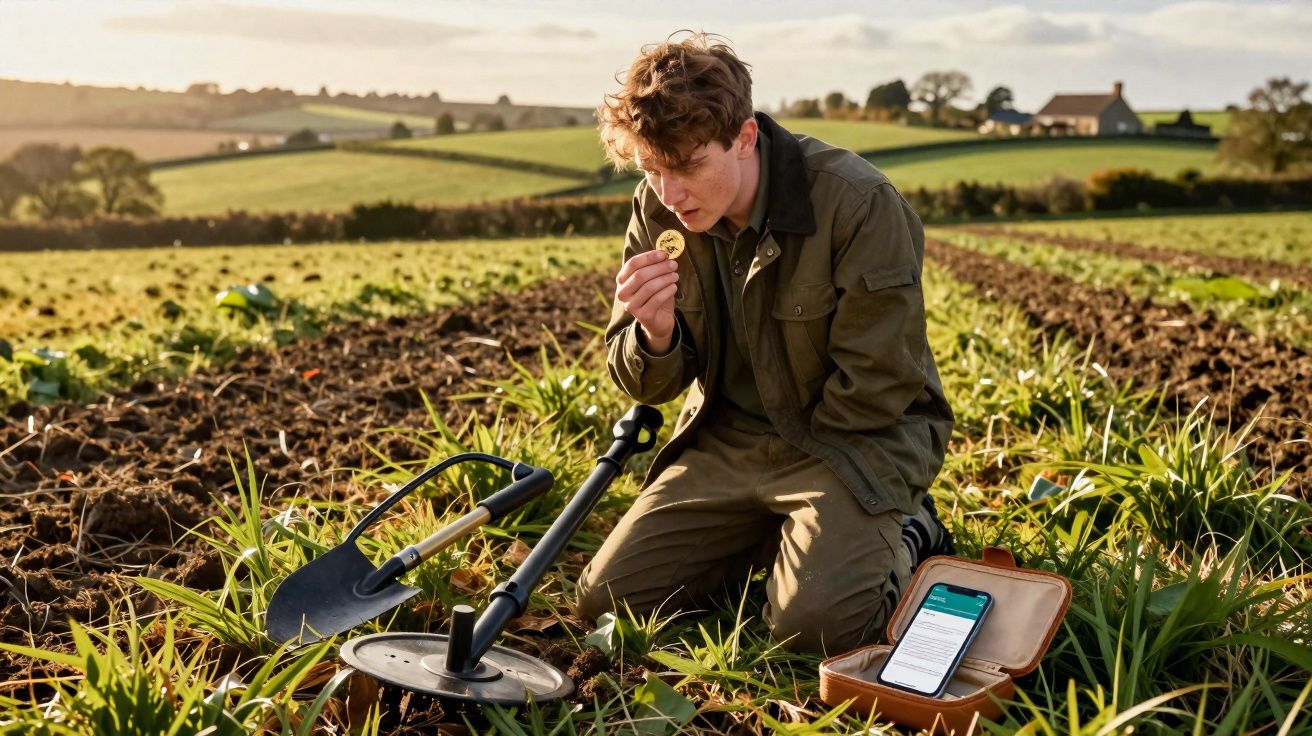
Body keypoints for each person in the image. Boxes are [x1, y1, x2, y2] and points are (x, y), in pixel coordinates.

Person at [574, 30, 955, 655]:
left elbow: (880, 382)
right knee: (606, 604)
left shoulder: (858, 202)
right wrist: (656, 332)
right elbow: (646, 382)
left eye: (688, 166)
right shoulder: (657, 206)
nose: (669, 194)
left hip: (849, 441)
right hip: (726, 441)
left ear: (745, 137)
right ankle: (773, 534)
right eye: (650, 169)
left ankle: (910, 527)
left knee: (816, 630)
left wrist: (818, 489)